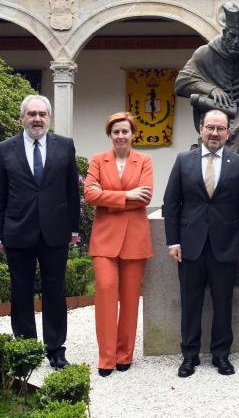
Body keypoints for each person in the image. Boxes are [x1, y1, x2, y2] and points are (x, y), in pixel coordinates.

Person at [162, 109, 239, 377]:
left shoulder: (238, 163)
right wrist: (172, 242)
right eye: (210, 128)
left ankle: (221, 355)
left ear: (228, 133)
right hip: (190, 246)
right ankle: (189, 356)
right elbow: (171, 204)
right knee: (190, 304)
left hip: (225, 246)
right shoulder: (183, 161)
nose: (214, 133)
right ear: (201, 129)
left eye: (220, 129)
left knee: (223, 303)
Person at [0, 94, 80, 369]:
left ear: (49, 118)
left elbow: (71, 191)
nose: (37, 119)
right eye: (31, 114)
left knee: (55, 292)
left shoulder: (64, 146)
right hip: (18, 231)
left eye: (42, 114)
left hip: (55, 232)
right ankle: (26, 348)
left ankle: (55, 349)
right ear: (22, 117)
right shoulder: (5, 149)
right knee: (21, 292)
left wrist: (75, 228)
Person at [83, 112, 154, 377]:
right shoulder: (98, 160)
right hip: (104, 238)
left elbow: (145, 197)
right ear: (110, 135)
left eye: (125, 131)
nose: (121, 136)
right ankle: (106, 357)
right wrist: (126, 195)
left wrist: (109, 198)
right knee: (105, 290)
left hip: (135, 239)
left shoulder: (144, 161)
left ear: (133, 134)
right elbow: (89, 193)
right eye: (116, 132)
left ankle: (125, 355)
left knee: (130, 298)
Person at [175, 2, 239, 190]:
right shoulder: (204, 53)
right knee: (216, 122)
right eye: (232, 36)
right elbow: (181, 82)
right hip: (213, 106)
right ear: (224, 33)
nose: (236, 42)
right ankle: (215, 178)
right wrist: (211, 89)